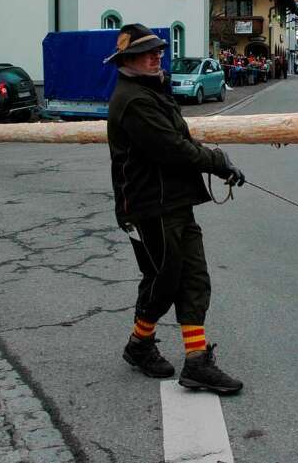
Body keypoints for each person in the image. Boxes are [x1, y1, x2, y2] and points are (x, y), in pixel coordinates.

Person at [105, 24, 246, 394]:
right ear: (128, 60)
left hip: (175, 202)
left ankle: (196, 362)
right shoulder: (134, 100)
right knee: (163, 280)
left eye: (158, 51)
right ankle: (139, 345)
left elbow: (180, 139)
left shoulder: (152, 91)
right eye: (147, 53)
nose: (157, 56)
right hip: (148, 206)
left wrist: (220, 162)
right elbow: (170, 148)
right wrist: (216, 161)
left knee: (194, 279)